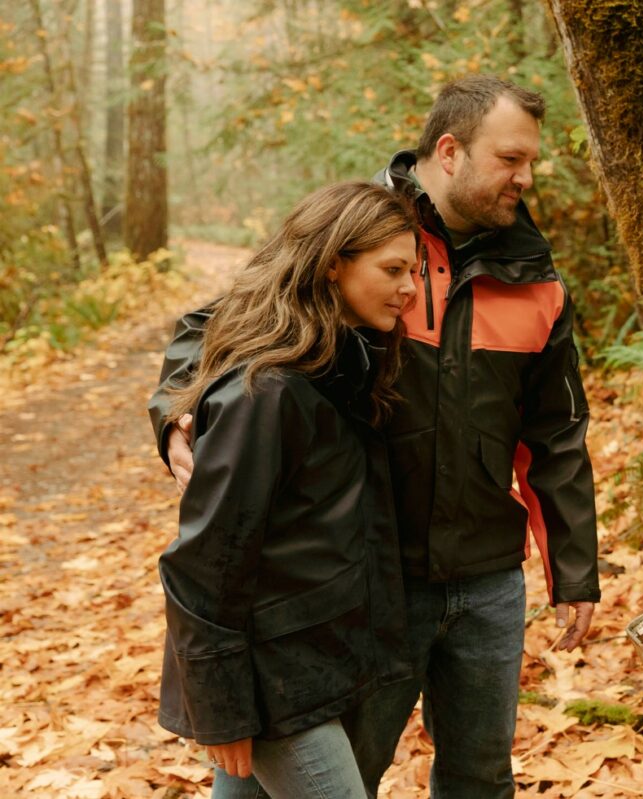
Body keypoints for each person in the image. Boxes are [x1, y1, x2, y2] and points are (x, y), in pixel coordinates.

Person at [148, 75, 601, 798]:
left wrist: (573, 566)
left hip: (485, 574)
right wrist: (178, 413)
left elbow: (556, 429)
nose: (528, 176)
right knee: (342, 771)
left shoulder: (534, 272)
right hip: (372, 577)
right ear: (450, 150)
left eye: (531, 161)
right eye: (512, 158)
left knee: (481, 775)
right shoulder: (359, 236)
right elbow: (222, 328)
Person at [154, 181, 422, 798]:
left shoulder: (343, 363)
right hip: (271, 681)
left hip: (315, 659)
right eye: (393, 269)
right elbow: (203, 563)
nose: (410, 288)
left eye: (413, 270)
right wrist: (222, 709)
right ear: (333, 264)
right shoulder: (268, 392)